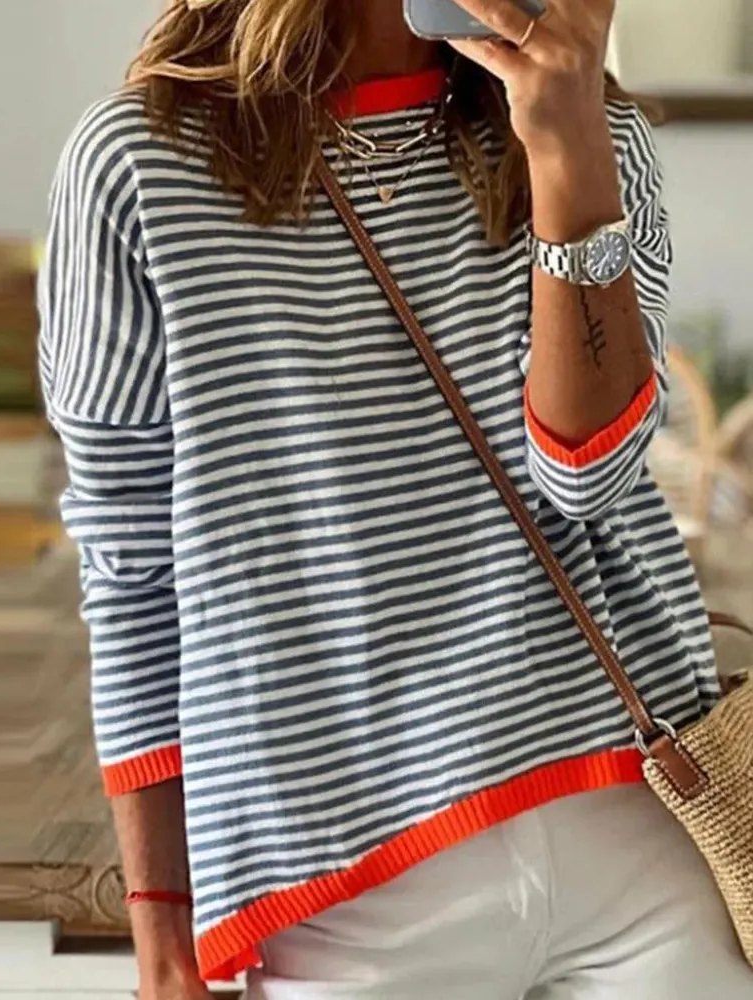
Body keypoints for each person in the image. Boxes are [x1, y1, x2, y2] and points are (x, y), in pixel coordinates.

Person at [37, 0, 753, 997]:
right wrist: (161, 936)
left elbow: (588, 475)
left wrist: (567, 146)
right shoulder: (138, 164)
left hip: (640, 823)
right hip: (343, 877)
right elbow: (128, 569)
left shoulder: (592, 130)